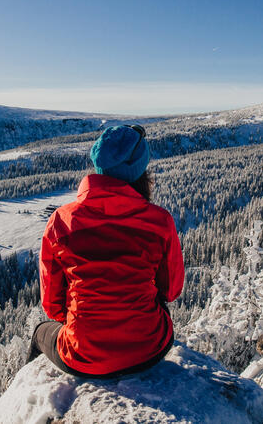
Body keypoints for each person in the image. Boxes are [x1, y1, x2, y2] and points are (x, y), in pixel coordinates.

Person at [26, 125, 185, 378]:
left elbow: (53, 306)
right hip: (149, 348)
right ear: (141, 170)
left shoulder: (61, 221)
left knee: (39, 333)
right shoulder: (160, 221)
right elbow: (171, 291)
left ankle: (24, 398)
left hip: (81, 355)